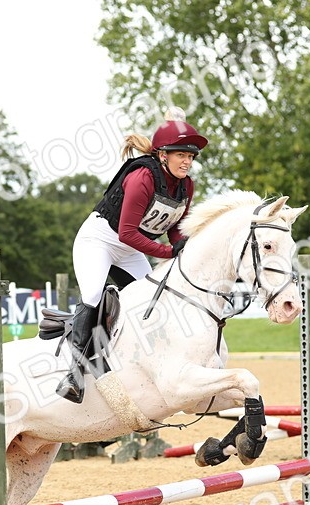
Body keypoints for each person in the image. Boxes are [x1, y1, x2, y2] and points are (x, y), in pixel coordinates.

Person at [57, 108, 207, 403]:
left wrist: (182, 249)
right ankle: (73, 372)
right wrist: (167, 252)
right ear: (163, 155)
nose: (187, 162)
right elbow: (126, 232)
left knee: (156, 299)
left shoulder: (186, 185)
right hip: (100, 241)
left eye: (191, 157)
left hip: (131, 248)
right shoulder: (142, 177)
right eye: (181, 155)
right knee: (92, 295)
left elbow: (174, 228)